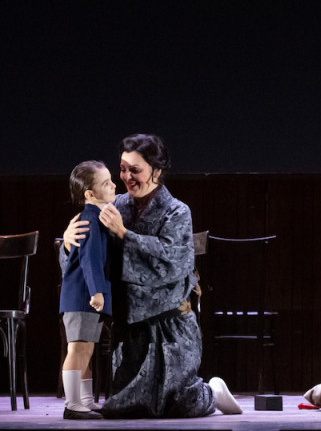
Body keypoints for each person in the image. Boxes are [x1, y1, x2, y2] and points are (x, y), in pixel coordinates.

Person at [61, 134, 240, 418]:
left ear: (156, 171)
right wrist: (70, 242)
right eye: (122, 168)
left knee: (180, 404)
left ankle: (210, 392)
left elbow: (175, 262)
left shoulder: (177, 211)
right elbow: (86, 260)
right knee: (124, 408)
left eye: (135, 170)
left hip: (170, 327)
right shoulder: (112, 206)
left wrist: (125, 235)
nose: (126, 177)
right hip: (130, 327)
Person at [59, 161, 115, 419]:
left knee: (87, 348)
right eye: (106, 183)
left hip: (88, 295)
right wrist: (97, 291)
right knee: (78, 348)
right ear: (89, 194)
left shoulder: (98, 217)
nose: (113, 186)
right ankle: (72, 404)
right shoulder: (89, 219)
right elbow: (90, 260)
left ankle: (85, 400)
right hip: (83, 295)